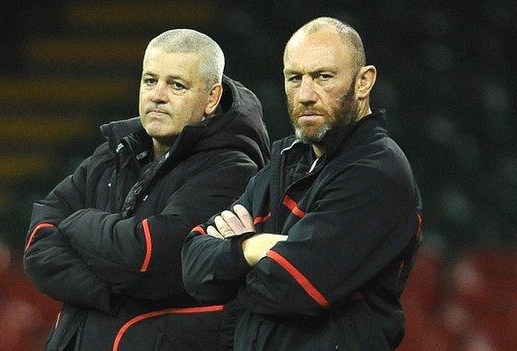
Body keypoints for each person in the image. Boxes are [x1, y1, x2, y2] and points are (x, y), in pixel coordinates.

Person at [182, 17, 422, 350]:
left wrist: (232, 260)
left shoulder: (377, 172)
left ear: (364, 81)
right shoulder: (286, 159)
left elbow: (290, 290)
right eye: (295, 78)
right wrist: (253, 247)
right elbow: (193, 265)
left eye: (324, 77)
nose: (306, 94)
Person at [23, 29, 270, 351]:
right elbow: (37, 248)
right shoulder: (113, 152)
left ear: (212, 98)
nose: (157, 95)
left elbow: (146, 260)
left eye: (176, 85)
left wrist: (75, 221)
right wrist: (111, 291)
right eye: (150, 80)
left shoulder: (231, 170)